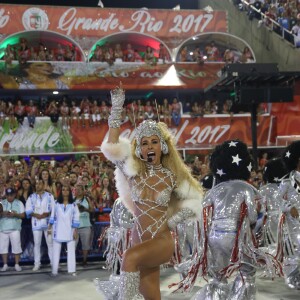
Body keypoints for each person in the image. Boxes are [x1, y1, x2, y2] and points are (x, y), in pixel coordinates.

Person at [97, 84, 203, 299]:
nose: (149, 146)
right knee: (151, 296)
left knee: (129, 257)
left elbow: (195, 201)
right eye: (144, 143)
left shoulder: (173, 175)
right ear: (139, 149)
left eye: (154, 142)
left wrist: (172, 221)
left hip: (161, 240)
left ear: (162, 146)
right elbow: (112, 146)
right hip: (139, 238)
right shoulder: (132, 174)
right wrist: (116, 108)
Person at [189, 140, 281, 299]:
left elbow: (204, 214)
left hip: (215, 237)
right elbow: (252, 215)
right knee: (247, 272)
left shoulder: (214, 191)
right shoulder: (247, 188)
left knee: (218, 276)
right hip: (236, 237)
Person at [277, 140, 300, 289]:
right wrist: (289, 206)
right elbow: (278, 200)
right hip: (295, 223)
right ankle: (295, 278)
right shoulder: (287, 181)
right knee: (296, 250)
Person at [48, 184, 80, 276]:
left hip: (70, 230)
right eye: (63, 190)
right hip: (57, 230)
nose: (65, 191)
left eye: (67, 190)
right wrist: (49, 228)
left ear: (69, 192)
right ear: (60, 192)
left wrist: (75, 230)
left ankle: (72, 270)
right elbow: (52, 216)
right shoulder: (56, 203)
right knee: (55, 251)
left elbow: (76, 217)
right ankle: (54, 271)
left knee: (71, 251)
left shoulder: (73, 205)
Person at [25, 180, 55, 271]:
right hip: (36, 223)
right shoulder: (31, 197)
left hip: (48, 223)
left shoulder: (50, 196)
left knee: (50, 244)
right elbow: (28, 210)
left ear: (43, 185)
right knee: (37, 244)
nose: (38, 185)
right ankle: (37, 263)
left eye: (40, 184)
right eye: (36, 184)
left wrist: (48, 214)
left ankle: (53, 263)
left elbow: (54, 209)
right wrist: (37, 215)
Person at [0, 188, 25, 272]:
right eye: (8, 195)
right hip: (3, 228)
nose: (9, 197)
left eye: (11, 195)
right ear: (5, 195)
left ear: (14, 194)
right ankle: (5, 265)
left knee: (17, 246)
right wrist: (3, 213)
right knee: (3, 248)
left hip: (15, 228)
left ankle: (17, 264)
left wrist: (15, 214)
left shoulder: (19, 203)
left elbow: (23, 215)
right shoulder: (1, 203)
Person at [74, 184, 93, 267]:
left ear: (83, 190)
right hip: (75, 226)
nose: (78, 191)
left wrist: (84, 209)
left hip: (85, 224)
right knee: (73, 245)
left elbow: (92, 210)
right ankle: (72, 261)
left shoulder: (87, 199)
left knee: (85, 245)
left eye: (79, 189)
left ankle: (84, 260)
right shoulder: (72, 200)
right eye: (76, 190)